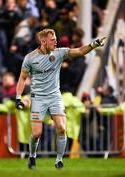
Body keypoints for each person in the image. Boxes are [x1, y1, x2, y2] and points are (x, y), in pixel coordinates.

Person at [15, 28, 106, 169]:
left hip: (55, 97)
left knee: (62, 129)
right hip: (38, 98)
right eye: (52, 39)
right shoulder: (30, 58)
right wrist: (18, 97)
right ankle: (32, 156)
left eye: (56, 38)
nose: (55, 41)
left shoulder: (59, 52)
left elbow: (80, 51)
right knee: (36, 133)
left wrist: (93, 44)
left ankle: (59, 160)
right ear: (43, 41)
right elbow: (22, 78)